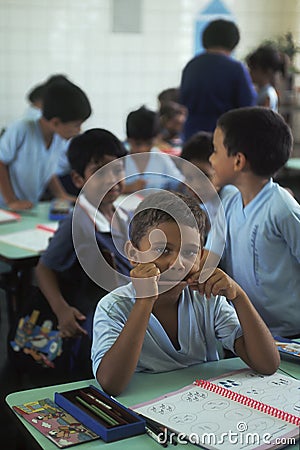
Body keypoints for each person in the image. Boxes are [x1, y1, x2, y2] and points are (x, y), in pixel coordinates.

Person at [92, 191, 280, 396]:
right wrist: (144, 301)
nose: (178, 264)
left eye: (190, 252)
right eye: (163, 250)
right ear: (134, 254)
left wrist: (239, 297)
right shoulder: (113, 307)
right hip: (142, 410)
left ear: (201, 257)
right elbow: (111, 384)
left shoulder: (208, 300)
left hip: (205, 407)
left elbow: (267, 364)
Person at [35, 128, 131, 378]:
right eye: (99, 171)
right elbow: (44, 268)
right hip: (97, 318)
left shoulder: (121, 215)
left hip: (123, 306)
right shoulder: (76, 223)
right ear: (78, 180)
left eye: (117, 169)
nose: (111, 179)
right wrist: (61, 309)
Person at [208, 106, 300, 338]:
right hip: (249, 330)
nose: (211, 159)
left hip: (292, 334)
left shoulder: (282, 208)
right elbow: (208, 256)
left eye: (216, 151)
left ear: (238, 161)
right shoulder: (228, 202)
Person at [0, 79, 91, 210]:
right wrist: (11, 201)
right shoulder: (22, 129)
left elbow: (48, 172)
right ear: (55, 123)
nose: (79, 130)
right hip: (5, 208)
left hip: (27, 207)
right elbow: (1, 162)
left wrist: (61, 195)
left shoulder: (58, 138)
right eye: (77, 125)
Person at [180, 19, 257, 141]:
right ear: (233, 42)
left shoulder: (191, 66)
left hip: (192, 134)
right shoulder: (235, 68)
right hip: (223, 136)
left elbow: (183, 100)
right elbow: (248, 106)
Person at [124, 106, 184, 193]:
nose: (142, 149)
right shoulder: (120, 160)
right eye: (138, 144)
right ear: (128, 140)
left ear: (156, 139)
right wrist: (128, 188)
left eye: (148, 143)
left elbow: (179, 183)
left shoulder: (161, 158)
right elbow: (105, 189)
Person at [246, 45, 281, 111]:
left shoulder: (267, 95)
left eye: (253, 69)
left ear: (267, 71)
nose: (249, 72)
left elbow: (262, 119)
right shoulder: (262, 91)